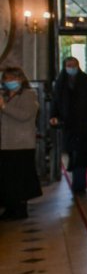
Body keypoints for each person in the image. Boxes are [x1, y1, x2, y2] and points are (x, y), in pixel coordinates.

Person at [50, 57, 87, 196]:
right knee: (73, 153)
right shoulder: (60, 82)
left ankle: (79, 184)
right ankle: (77, 181)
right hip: (68, 124)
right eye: (68, 65)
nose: (71, 67)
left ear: (78, 66)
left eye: (73, 65)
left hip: (85, 123)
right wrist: (53, 116)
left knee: (81, 153)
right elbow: (55, 101)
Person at [0, 66, 42, 220]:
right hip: (5, 142)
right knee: (7, 178)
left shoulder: (29, 95)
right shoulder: (4, 94)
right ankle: (10, 207)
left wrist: (4, 107)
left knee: (19, 178)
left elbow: (24, 115)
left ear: (20, 79)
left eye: (12, 78)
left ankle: (19, 209)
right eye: (6, 79)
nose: (9, 81)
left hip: (21, 143)